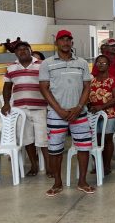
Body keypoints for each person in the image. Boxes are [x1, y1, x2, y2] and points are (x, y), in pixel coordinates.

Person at [38, 30, 94, 196]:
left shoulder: (82, 63)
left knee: (84, 148)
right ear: (56, 43)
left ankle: (82, 181)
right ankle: (57, 183)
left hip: (79, 113)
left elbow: (87, 87)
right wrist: (59, 110)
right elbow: (44, 88)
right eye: (62, 39)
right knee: (55, 150)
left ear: (72, 43)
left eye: (68, 39)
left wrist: (79, 107)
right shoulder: (47, 63)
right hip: (56, 115)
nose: (65, 42)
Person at [2, 40, 50, 177]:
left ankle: (49, 167)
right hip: (20, 109)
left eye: (25, 49)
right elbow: (7, 87)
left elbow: (49, 84)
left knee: (43, 139)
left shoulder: (42, 65)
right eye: (19, 50)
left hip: (40, 107)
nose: (22, 51)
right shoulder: (11, 68)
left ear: (30, 51)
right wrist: (6, 103)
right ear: (15, 53)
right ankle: (34, 165)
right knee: (27, 138)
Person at [88, 54, 115, 176]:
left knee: (107, 138)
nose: (100, 64)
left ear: (108, 65)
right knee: (95, 139)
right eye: (98, 62)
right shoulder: (92, 80)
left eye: (104, 63)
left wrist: (101, 107)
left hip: (110, 113)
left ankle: (106, 166)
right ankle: (98, 164)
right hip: (94, 114)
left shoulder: (112, 80)